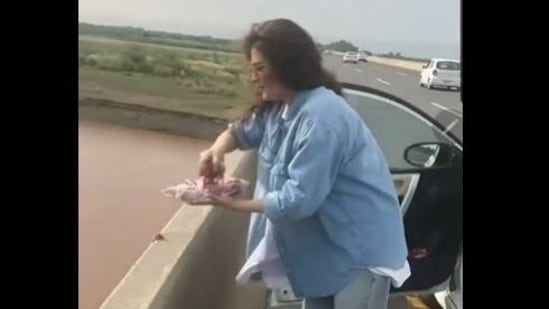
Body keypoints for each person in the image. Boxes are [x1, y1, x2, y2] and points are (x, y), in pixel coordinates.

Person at [196, 18, 410, 309]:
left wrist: (230, 203)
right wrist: (217, 150)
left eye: (260, 69)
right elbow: (241, 132)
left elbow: (298, 202)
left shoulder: (321, 118)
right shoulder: (279, 109)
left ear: (287, 66)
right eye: (251, 69)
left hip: (359, 252)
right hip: (324, 249)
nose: (254, 78)